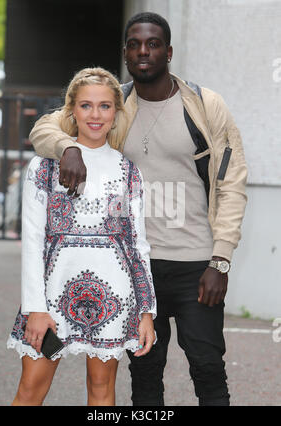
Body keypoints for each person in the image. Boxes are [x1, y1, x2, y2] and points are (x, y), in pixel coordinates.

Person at [28, 13, 248, 406]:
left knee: (207, 364)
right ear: (126, 51)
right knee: (145, 372)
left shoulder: (204, 105)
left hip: (196, 262)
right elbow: (45, 128)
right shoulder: (114, 104)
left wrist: (221, 260)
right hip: (133, 266)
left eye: (153, 44)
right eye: (134, 44)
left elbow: (232, 182)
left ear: (169, 51)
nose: (143, 51)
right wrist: (69, 147)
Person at [7, 67, 156, 406]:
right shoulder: (44, 166)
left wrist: (146, 311)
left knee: (102, 391)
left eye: (105, 106)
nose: (95, 114)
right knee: (30, 390)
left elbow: (135, 245)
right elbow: (33, 240)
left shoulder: (126, 170)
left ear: (116, 113)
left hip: (114, 297)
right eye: (86, 105)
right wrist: (35, 308)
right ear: (71, 109)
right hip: (51, 294)